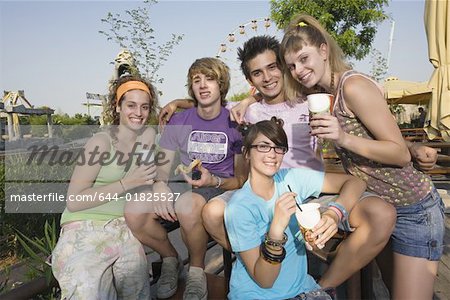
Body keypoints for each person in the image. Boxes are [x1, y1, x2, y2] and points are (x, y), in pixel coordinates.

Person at [158, 35, 438, 290]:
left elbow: (366, 125)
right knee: (212, 212)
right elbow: (206, 103)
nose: (267, 78)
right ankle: (269, 262)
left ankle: (318, 288)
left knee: (380, 213)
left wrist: (411, 148)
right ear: (249, 79)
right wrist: (177, 103)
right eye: (257, 73)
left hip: (314, 190)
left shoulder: (312, 100)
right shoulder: (245, 111)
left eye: (272, 67)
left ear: (283, 67)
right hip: (266, 192)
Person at [280, 14, 445, 300]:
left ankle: (317, 291)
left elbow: (398, 155)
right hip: (382, 206)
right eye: (292, 66)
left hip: (414, 209)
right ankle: (319, 290)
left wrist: (342, 138)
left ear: (323, 51)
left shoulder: (353, 86)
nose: (298, 70)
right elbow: (382, 136)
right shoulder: (325, 96)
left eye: (304, 59)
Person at [224, 117, 367, 299]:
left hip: (302, 289)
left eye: (279, 148)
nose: (272, 154)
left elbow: (355, 182)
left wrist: (334, 214)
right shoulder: (239, 208)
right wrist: (276, 230)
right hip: (256, 295)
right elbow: (265, 280)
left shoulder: (291, 179)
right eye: (263, 146)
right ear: (246, 153)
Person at [51, 76, 161, 299]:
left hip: (124, 228)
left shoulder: (146, 140)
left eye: (144, 107)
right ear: (117, 107)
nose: (138, 113)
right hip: (85, 225)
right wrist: (126, 182)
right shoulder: (101, 142)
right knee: (87, 291)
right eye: (131, 105)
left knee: (137, 290)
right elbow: (74, 200)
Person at [153, 57, 248, 300]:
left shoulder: (235, 122)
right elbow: (163, 163)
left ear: (221, 85)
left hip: (224, 189)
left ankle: (196, 272)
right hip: (194, 190)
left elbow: (240, 180)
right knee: (137, 210)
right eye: (197, 80)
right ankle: (171, 260)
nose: (203, 85)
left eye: (210, 79)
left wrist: (212, 181)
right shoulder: (179, 120)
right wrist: (160, 183)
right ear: (191, 87)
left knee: (188, 206)